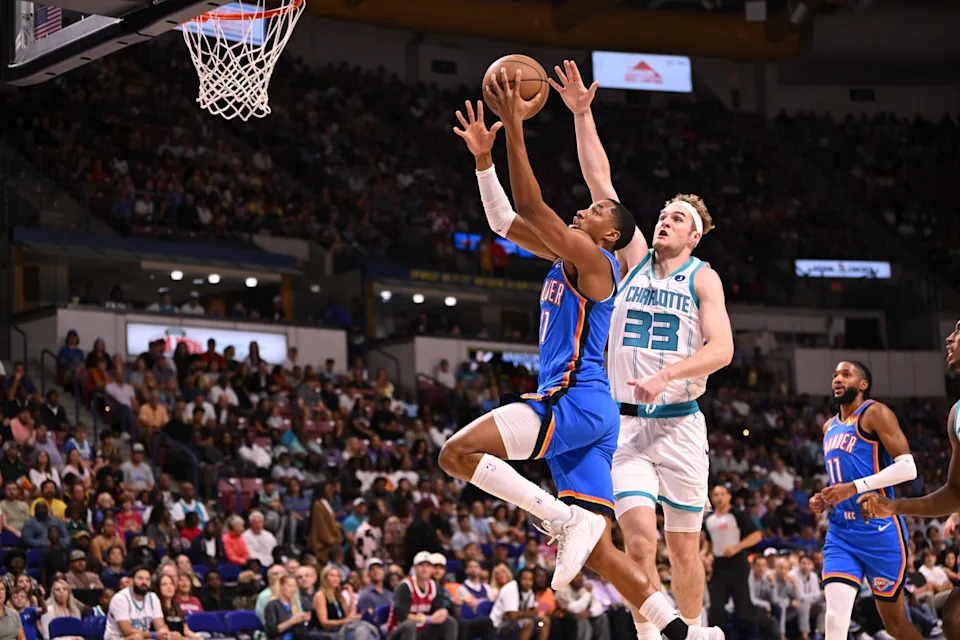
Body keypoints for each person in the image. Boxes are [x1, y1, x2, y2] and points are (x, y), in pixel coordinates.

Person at [444, 77, 718, 640]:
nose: (581, 209)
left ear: (612, 234)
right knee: (606, 550)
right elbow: (505, 220)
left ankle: (556, 517)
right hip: (609, 416)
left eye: (593, 211)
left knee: (456, 454)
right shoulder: (583, 254)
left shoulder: (597, 261)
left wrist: (514, 125)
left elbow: (533, 203)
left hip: (581, 398)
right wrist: (482, 160)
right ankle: (678, 634)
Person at [548, 60, 733, 640]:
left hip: (680, 426)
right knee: (639, 541)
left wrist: (670, 374)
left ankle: (695, 631)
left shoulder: (703, 277)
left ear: (694, 234)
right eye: (662, 214)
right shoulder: (630, 261)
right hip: (626, 430)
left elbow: (722, 348)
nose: (663, 221)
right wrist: (582, 114)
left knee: (684, 551)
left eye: (676, 217)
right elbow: (601, 183)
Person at [859, 320, 960, 637]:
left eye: (959, 330)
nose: (949, 337)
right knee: (955, 615)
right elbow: (956, 491)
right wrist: (894, 506)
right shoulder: (956, 414)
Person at [809, 361, 921, 640]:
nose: (837, 378)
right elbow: (843, 478)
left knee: (894, 625)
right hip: (841, 532)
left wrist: (854, 488)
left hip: (879, 530)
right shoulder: (828, 427)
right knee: (835, 620)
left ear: (863, 384)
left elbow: (908, 468)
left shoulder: (875, 413)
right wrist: (826, 497)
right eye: (834, 374)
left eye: (846, 374)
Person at [703, 485, 762, 627]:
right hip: (718, 565)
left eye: (722, 494)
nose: (719, 497)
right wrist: (705, 556)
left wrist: (736, 548)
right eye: (716, 495)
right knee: (716, 608)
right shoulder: (708, 519)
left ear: (728, 496)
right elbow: (708, 542)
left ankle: (767, 627)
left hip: (737, 564)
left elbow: (757, 535)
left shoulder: (737, 514)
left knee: (743, 607)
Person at [385, 551, 458, 640]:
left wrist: (442, 613)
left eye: (428, 566)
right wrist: (428, 619)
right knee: (410, 624)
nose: (425, 569)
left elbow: (440, 608)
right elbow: (403, 616)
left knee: (449, 622)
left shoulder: (433, 585)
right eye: (421, 565)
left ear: (432, 569)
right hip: (398, 631)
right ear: (415, 568)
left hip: (421, 630)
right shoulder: (405, 586)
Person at [105, 565, 172, 640]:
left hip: (144, 637)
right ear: (131, 581)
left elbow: (160, 625)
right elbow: (126, 631)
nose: (144, 582)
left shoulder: (153, 597)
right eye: (140, 578)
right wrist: (154, 634)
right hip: (119, 638)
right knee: (136, 638)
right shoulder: (120, 599)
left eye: (147, 579)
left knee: (176, 636)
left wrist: (164, 632)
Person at [313, 565, 378, 639]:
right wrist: (344, 621)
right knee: (359, 633)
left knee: (367, 629)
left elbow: (350, 615)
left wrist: (351, 595)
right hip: (329, 631)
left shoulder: (339, 595)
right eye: (332, 575)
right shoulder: (320, 596)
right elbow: (324, 622)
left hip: (343, 627)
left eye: (338, 576)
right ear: (325, 578)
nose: (336, 578)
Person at [490, 567, 549, 640]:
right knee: (528, 623)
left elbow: (535, 612)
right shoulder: (511, 588)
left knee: (545, 621)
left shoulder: (530, 590)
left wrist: (520, 613)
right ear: (519, 579)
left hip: (516, 622)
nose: (527, 582)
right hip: (498, 626)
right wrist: (527, 612)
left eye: (530, 580)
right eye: (524, 579)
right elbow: (511, 616)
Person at [264, 575, 311, 640]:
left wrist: (303, 619)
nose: (293, 589)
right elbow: (272, 631)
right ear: (281, 586)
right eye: (290, 586)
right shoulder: (272, 605)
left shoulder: (296, 602)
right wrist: (291, 621)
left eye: (294, 586)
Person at [156, 573, 200, 640]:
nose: (169, 587)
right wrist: (186, 639)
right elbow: (166, 634)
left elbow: (186, 630)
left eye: (171, 584)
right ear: (158, 588)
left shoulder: (176, 606)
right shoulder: (157, 607)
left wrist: (196, 638)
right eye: (164, 584)